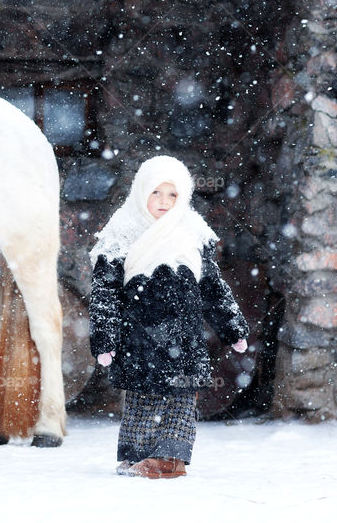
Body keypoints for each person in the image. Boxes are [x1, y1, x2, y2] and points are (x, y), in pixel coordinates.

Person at [89, 155, 248, 479]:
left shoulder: (192, 232)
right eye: (156, 193)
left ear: (183, 196)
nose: (163, 202)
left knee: (180, 398)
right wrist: (104, 338)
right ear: (141, 191)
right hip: (138, 335)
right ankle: (137, 453)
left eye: (172, 194)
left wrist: (233, 329)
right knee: (140, 398)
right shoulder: (121, 233)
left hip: (183, 337)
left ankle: (169, 460)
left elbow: (212, 288)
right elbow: (105, 294)